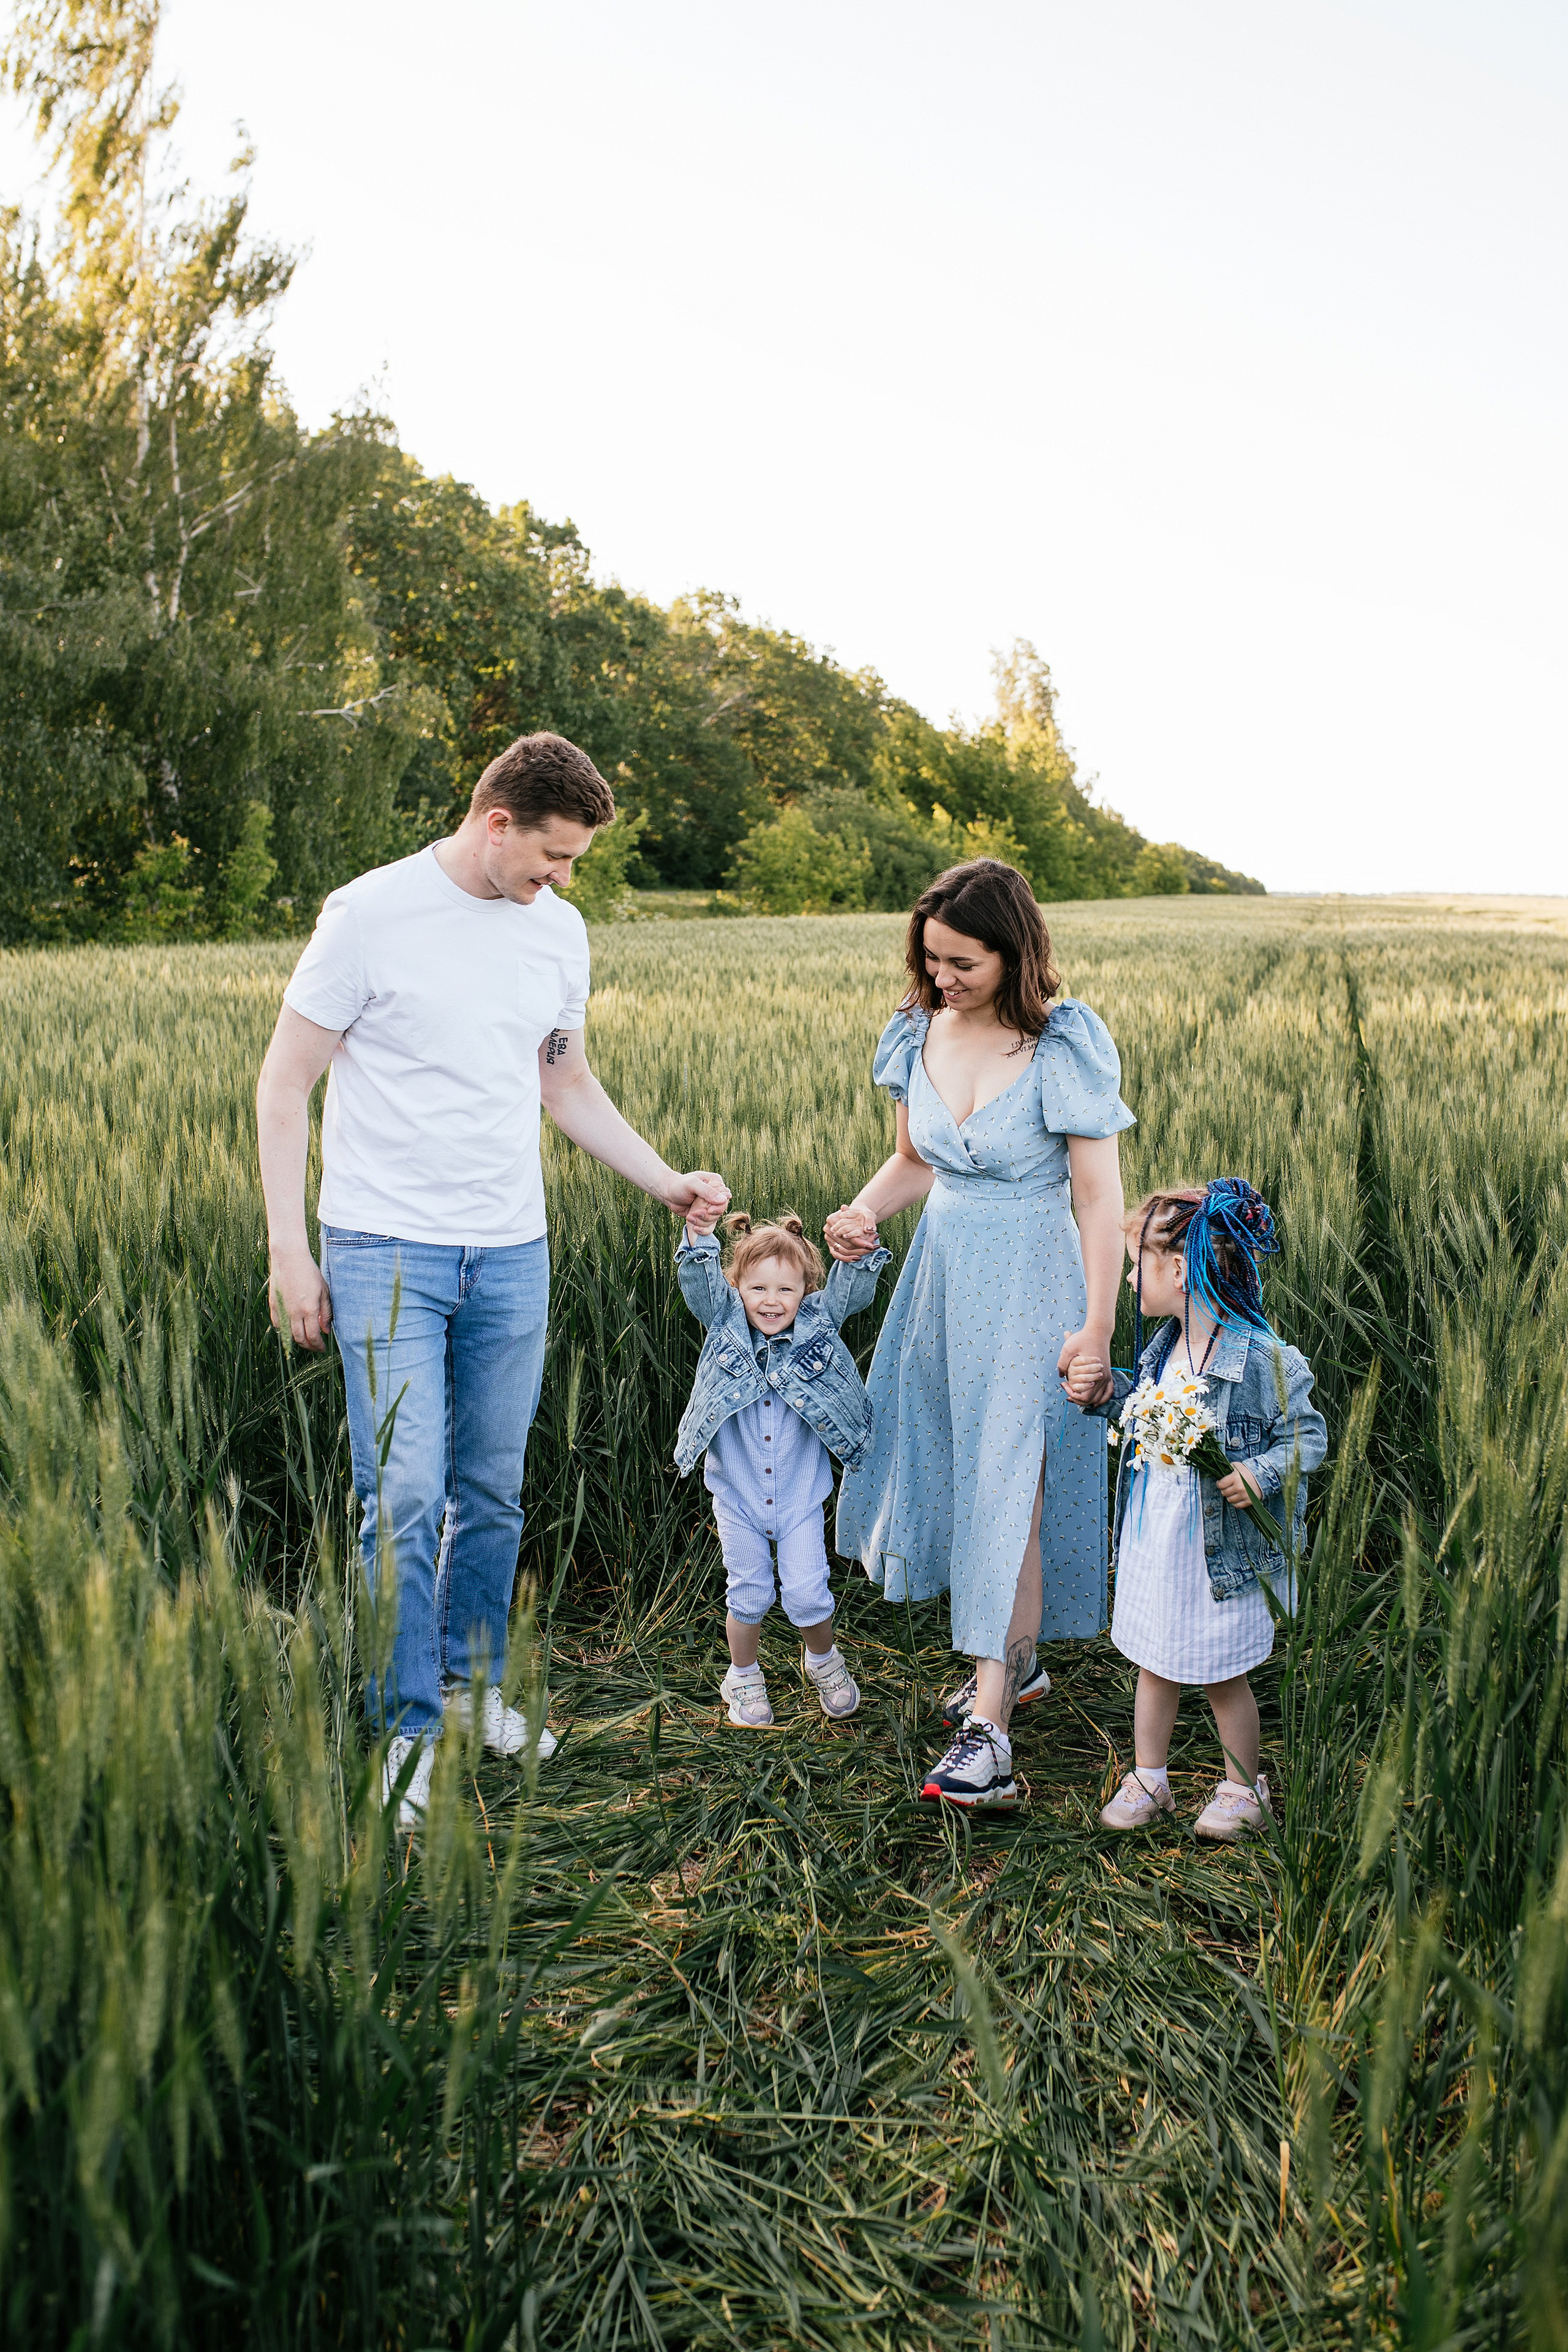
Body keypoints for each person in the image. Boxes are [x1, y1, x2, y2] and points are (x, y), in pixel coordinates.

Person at [256, 732, 729, 1827]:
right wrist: (291, 1248)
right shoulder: (367, 916)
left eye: (575, 864)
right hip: (382, 1249)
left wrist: (664, 1181)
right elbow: (284, 1085)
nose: (564, 881)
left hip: (512, 1250)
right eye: (554, 856)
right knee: (403, 1494)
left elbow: (563, 1083)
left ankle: (471, 1692)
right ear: (497, 821)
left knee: (491, 1488)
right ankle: (405, 1729)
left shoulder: (557, 932)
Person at [826, 860, 1133, 1810]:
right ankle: (1022, 1663)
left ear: (1014, 951)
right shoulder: (917, 1031)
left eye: (963, 962)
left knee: (1011, 1485)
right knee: (964, 1474)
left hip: (1037, 1284)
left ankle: (991, 1730)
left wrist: (1096, 1325)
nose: (943, 977)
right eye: (932, 959)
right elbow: (916, 1159)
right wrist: (865, 1209)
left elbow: (1097, 1194)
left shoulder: (1062, 1042)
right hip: (944, 1281)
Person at [1063, 1180, 1327, 1839]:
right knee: (1154, 1661)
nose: (1128, 1280)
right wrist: (1104, 1394)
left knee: (1222, 1673)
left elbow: (1308, 1437)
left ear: (1178, 1269)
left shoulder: (1263, 1360)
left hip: (1221, 1556)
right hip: (1159, 1544)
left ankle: (1243, 1788)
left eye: (1136, 1265)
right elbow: (1147, 1419)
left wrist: (1258, 1475)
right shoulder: (1161, 1351)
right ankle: (1150, 1777)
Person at [674, 1209, 889, 1727]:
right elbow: (700, 1286)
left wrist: (859, 1247)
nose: (772, 1302)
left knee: (809, 1592)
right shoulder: (724, 1322)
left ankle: (824, 1662)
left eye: (786, 1291)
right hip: (737, 1496)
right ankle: (743, 1677)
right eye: (758, 1289)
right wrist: (699, 1232)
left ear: (806, 1291)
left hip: (799, 1497)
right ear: (737, 1288)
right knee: (748, 1592)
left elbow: (850, 1293)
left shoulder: (818, 1323)